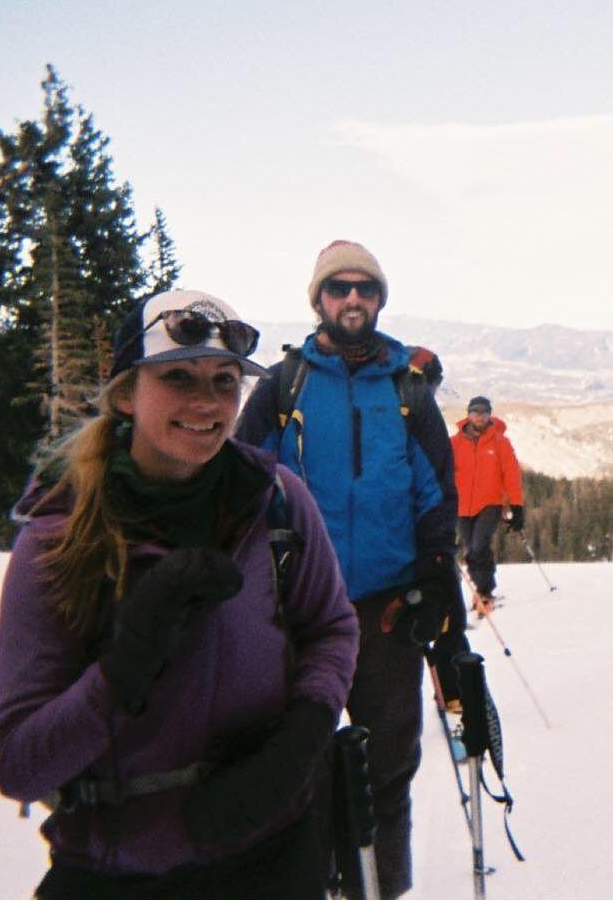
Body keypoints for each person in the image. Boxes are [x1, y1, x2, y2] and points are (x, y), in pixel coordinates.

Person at [0, 289, 359, 900]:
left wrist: (299, 743)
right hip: (119, 872)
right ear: (127, 393)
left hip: (273, 851)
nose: (206, 403)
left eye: (224, 381)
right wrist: (125, 667)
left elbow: (331, 628)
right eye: (178, 376)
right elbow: (19, 764)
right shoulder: (60, 536)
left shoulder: (276, 501)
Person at [234, 240, 463, 900]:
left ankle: (380, 889)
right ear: (320, 301)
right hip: (298, 607)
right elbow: (243, 482)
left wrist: (434, 573)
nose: (353, 298)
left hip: (386, 610)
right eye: (340, 288)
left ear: (379, 298)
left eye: (365, 287)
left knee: (387, 766)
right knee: (298, 762)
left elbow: (435, 493)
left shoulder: (406, 388)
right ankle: (315, 882)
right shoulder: (286, 386)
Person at [450, 395, 525, 615]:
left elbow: (511, 475)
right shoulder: (455, 443)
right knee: (471, 549)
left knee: (478, 546)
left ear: (489, 415)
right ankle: (483, 585)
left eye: (484, 412)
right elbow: (444, 472)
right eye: (475, 412)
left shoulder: (500, 442)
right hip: (461, 506)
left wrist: (516, 506)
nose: (479, 417)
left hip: (490, 503)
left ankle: (484, 591)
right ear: (468, 415)